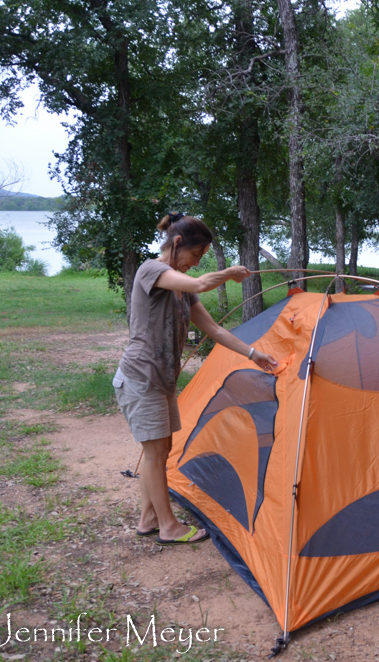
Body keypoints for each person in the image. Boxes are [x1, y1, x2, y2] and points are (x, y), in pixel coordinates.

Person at [114, 212, 279, 545]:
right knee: (156, 451)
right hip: (141, 378)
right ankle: (168, 526)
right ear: (177, 244)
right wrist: (228, 273)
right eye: (196, 255)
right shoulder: (153, 271)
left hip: (161, 381)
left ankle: (148, 518)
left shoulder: (181, 289)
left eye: (201, 257)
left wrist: (253, 354)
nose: (195, 262)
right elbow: (202, 282)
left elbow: (214, 329)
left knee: (160, 449)